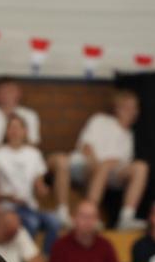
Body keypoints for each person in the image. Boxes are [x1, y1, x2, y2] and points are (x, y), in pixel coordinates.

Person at [49, 89, 148, 230]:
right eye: (127, 107)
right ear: (117, 108)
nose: (131, 111)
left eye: (134, 108)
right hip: (85, 165)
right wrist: (97, 164)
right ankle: (87, 215)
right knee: (102, 166)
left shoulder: (129, 136)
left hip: (110, 174)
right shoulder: (100, 120)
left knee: (141, 167)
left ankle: (127, 217)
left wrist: (107, 166)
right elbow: (87, 146)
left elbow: (122, 163)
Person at [0, 113, 62, 252]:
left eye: (18, 127)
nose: (15, 131)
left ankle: (46, 258)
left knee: (54, 221)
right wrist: (7, 197)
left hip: (30, 207)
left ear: (25, 131)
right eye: (11, 127)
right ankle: (25, 261)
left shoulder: (34, 154)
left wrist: (43, 190)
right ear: (6, 131)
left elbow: (39, 185)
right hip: (7, 208)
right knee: (32, 223)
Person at [0, 78, 41, 151]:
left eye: (11, 91)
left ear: (19, 93)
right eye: (3, 91)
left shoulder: (30, 115)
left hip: (26, 158)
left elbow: (33, 143)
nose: (7, 95)